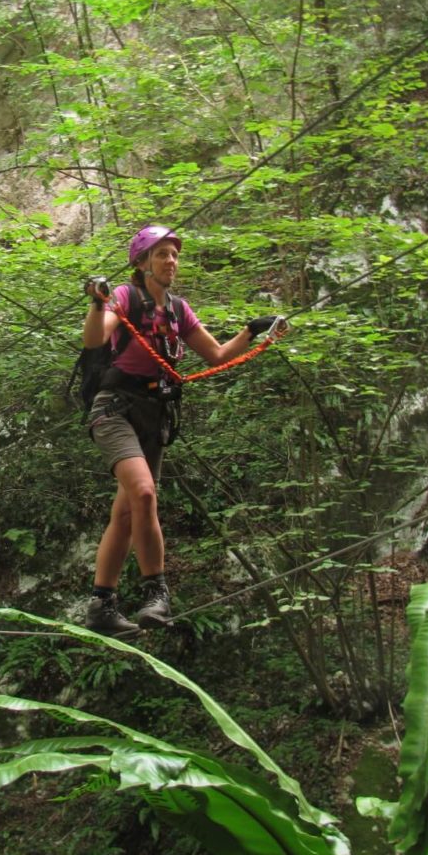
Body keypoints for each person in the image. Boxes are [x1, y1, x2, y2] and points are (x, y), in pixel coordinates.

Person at [83, 225, 281, 637]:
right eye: (162, 255)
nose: (171, 261)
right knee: (142, 492)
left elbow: (217, 354)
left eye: (174, 255)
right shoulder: (124, 297)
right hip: (115, 410)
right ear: (141, 263)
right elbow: (95, 337)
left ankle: (102, 604)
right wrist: (95, 302)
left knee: (124, 513)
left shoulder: (177, 310)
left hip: (155, 415)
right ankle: (156, 592)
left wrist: (252, 330)